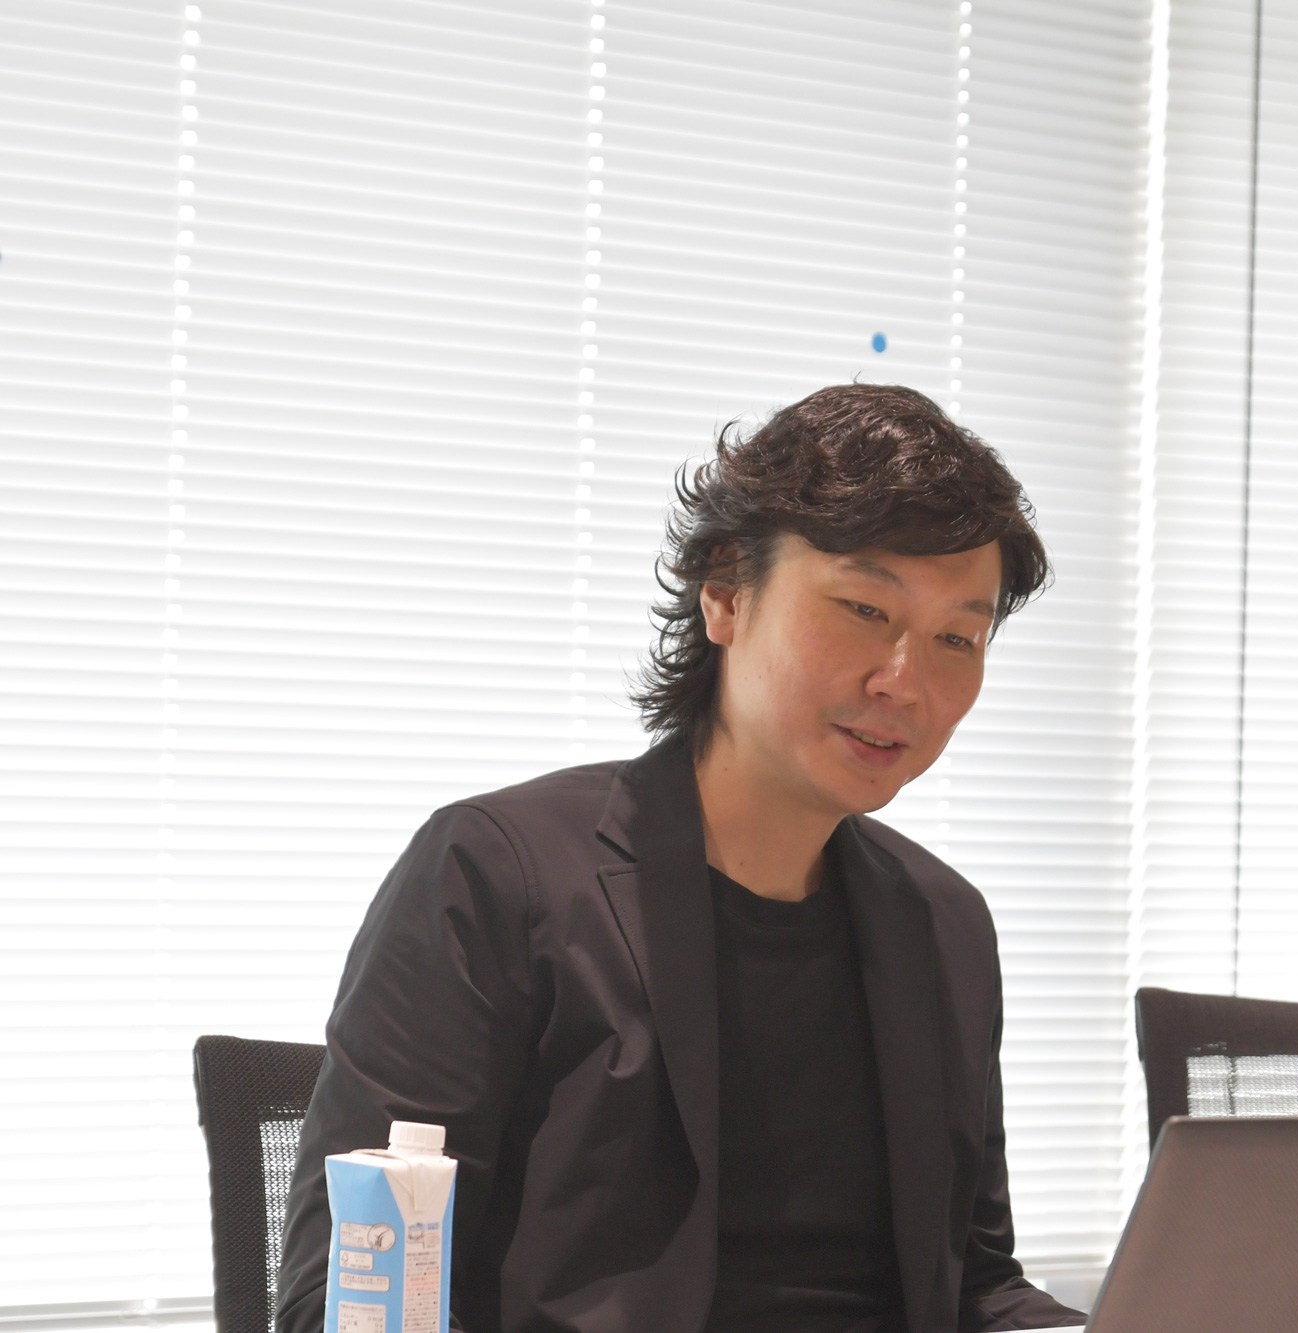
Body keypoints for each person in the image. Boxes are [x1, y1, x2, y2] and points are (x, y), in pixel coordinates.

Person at [275, 385, 1084, 1333]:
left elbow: (977, 1282)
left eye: (957, 638)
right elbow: (345, 1300)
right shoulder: (497, 876)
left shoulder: (943, 922)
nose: (905, 680)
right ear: (726, 593)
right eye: (864, 608)